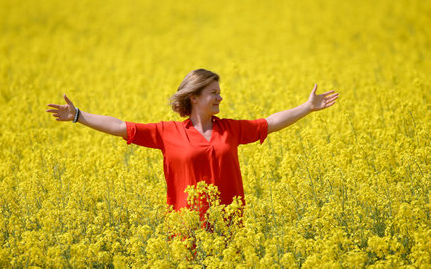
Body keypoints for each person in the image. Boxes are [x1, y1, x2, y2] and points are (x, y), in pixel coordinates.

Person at [46, 69, 339, 216]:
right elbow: (121, 127)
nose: (220, 97)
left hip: (230, 227)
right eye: (214, 92)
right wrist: (79, 116)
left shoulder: (231, 130)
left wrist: (307, 107)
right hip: (187, 232)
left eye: (220, 91)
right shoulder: (167, 132)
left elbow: (271, 122)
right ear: (194, 97)